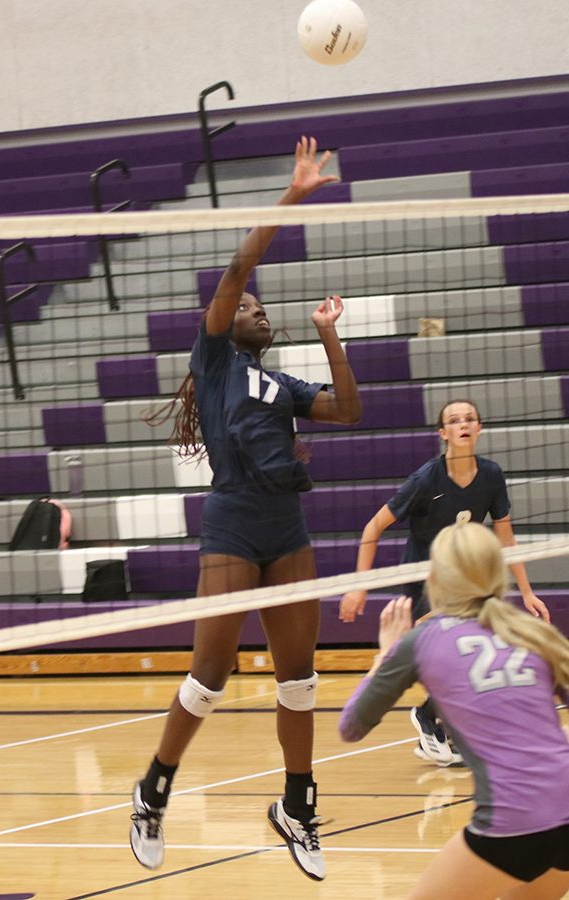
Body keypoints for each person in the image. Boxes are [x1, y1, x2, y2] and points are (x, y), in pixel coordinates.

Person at [129, 136, 362, 881]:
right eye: (250, 308)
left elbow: (348, 410)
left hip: (284, 527)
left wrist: (330, 338)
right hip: (231, 521)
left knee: (299, 676)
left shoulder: (279, 383)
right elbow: (236, 269)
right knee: (212, 670)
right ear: (229, 323)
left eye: (261, 308)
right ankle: (152, 789)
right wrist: (290, 199)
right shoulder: (214, 358)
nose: (258, 311)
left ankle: (297, 801)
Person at [339, 521, 569, 900]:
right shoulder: (531, 632)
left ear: (435, 578)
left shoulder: (422, 641)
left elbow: (351, 726)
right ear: (498, 572)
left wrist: (384, 656)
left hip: (512, 822)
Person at [339, 399, 551, 766]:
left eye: (469, 419)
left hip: (464, 581)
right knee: (456, 640)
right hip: (423, 580)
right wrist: (360, 585)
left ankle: (436, 719)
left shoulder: (492, 475)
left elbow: (506, 537)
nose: (463, 424)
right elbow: (372, 528)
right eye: (454, 420)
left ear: (479, 428)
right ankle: (430, 716)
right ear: (443, 434)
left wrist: (527, 591)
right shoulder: (425, 480)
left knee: (479, 641)